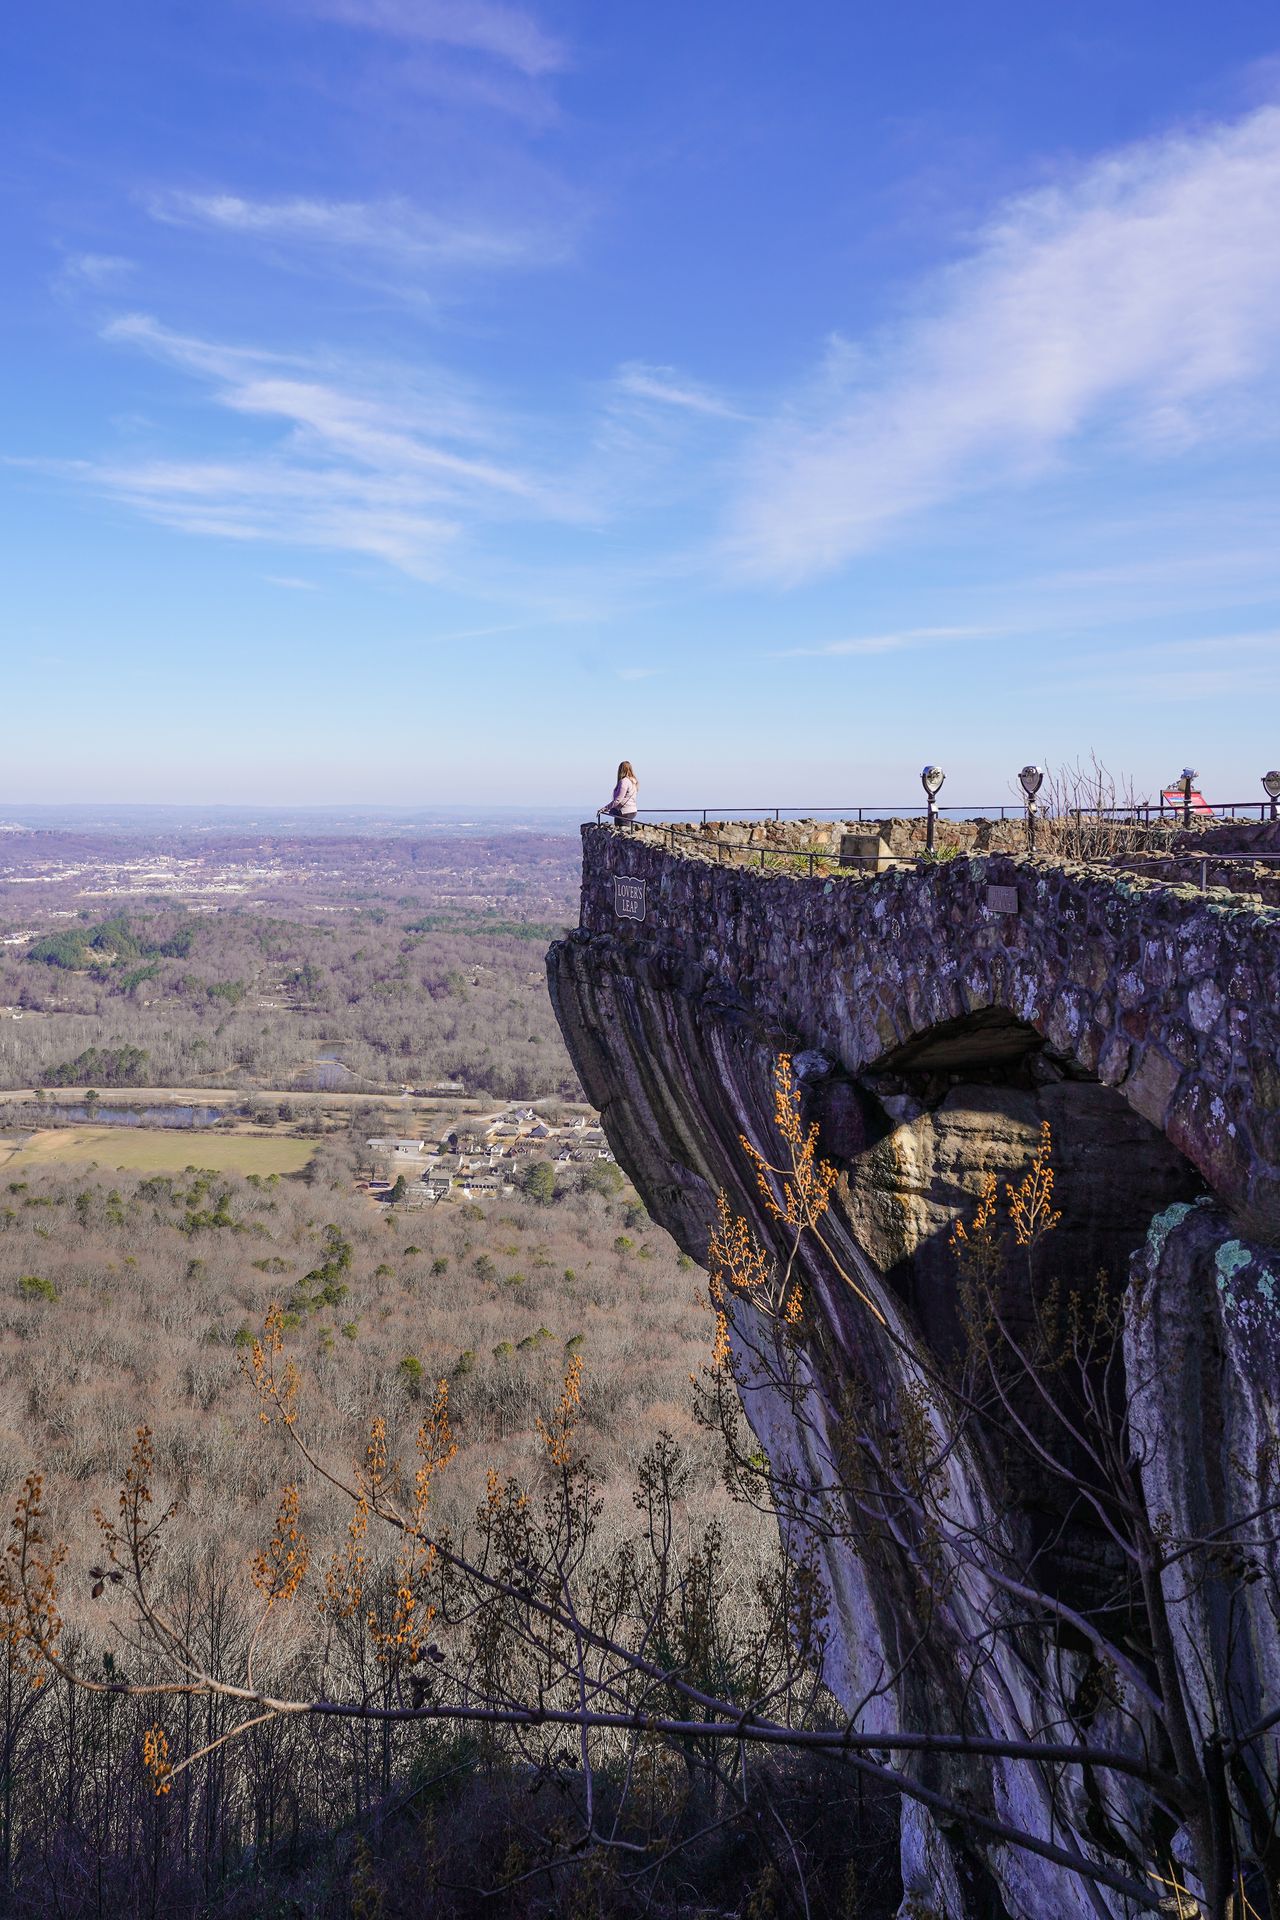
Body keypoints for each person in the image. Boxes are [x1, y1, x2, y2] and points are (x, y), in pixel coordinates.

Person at [600, 760, 638, 826]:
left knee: (621, 832)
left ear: (621, 770)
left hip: (624, 812)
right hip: (632, 810)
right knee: (625, 832)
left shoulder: (624, 782)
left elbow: (618, 800)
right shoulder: (634, 781)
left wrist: (605, 808)